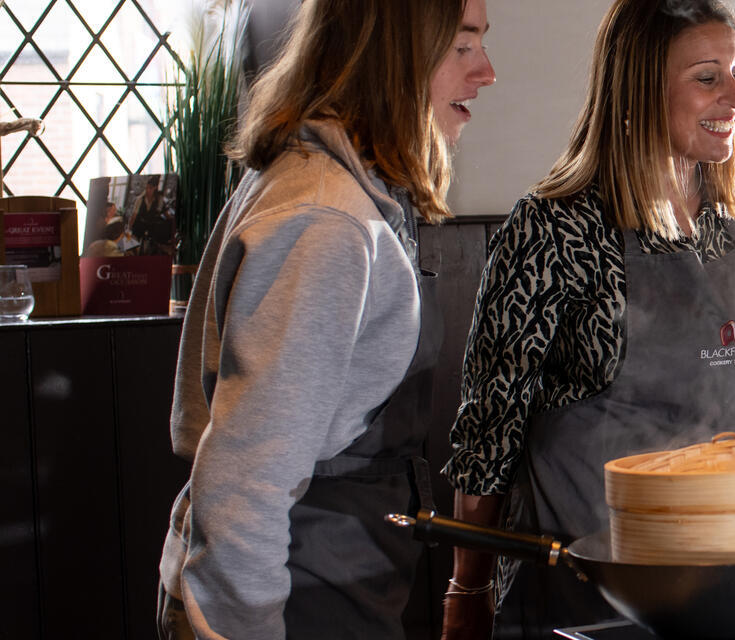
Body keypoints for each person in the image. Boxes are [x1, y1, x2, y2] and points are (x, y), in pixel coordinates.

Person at [439, 1, 735, 637]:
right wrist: (469, 588)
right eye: (708, 77)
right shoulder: (555, 228)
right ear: (640, 87)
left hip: (733, 578)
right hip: (590, 590)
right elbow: (489, 430)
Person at [160, 0, 495, 637]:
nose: (486, 72)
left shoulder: (345, 186)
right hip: (295, 601)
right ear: (393, 55)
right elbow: (244, 491)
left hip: (342, 586)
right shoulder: (325, 218)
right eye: (463, 46)